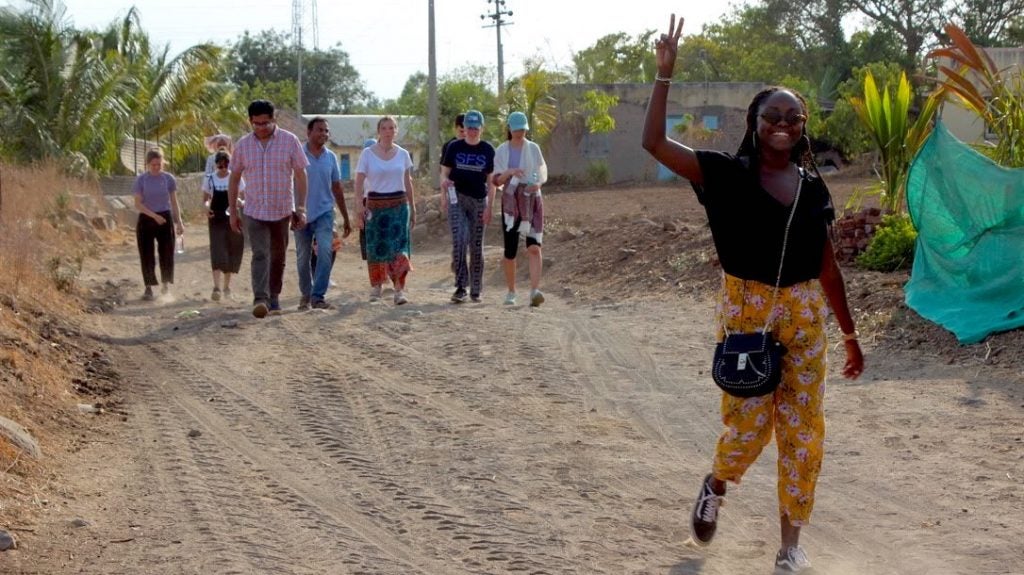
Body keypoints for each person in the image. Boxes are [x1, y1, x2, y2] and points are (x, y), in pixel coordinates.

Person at [641, 14, 865, 575]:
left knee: (803, 430)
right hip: (746, 309)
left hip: (805, 314)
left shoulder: (814, 187)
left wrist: (850, 334)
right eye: (773, 116)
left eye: (794, 117)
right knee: (747, 426)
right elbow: (652, 143)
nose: (783, 124)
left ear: (804, 125)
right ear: (755, 121)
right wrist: (664, 76)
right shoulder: (722, 174)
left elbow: (828, 268)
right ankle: (717, 482)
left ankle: (790, 544)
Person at [228, 100, 308, 318]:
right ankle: (260, 298)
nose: (262, 128)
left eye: (266, 123)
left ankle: (274, 297)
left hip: (282, 210)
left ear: (274, 120)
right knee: (260, 254)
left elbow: (301, 175)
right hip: (254, 211)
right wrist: (233, 212)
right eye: (257, 124)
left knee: (278, 256)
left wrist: (301, 207)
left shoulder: (289, 141)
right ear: (250, 122)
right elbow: (234, 178)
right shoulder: (243, 145)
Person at [354, 116, 416, 305]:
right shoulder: (368, 153)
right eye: (384, 128)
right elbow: (358, 181)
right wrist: (358, 205)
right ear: (378, 131)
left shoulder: (403, 154)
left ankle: (399, 290)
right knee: (376, 246)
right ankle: (377, 287)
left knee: (399, 248)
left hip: (399, 205)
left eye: (391, 128)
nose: (388, 131)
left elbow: (408, 181)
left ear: (396, 131)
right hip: (376, 205)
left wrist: (412, 206)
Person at [295, 117, 352, 311]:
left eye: (326, 131)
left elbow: (337, 187)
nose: (324, 134)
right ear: (309, 133)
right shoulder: (297, 154)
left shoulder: (331, 157)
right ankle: (306, 294)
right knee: (303, 257)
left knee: (326, 251)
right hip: (301, 213)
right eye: (320, 130)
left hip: (325, 213)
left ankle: (318, 296)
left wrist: (345, 216)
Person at [493, 111, 548, 307]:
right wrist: (510, 172)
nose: (520, 133)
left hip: (532, 199)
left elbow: (540, 171)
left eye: (523, 129)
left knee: (534, 246)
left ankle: (535, 290)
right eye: (516, 129)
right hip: (511, 201)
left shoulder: (533, 149)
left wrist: (538, 184)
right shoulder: (501, 150)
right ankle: (511, 290)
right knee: (510, 249)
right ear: (509, 129)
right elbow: (496, 179)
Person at [440, 109, 496, 303]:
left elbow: (491, 182)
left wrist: (490, 207)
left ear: (481, 128)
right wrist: (444, 187)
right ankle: (461, 286)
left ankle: (476, 289)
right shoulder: (454, 147)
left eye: (475, 128)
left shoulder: (488, 150)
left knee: (476, 245)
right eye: (469, 127)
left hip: (479, 200)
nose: (472, 131)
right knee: (459, 241)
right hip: (457, 198)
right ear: (464, 128)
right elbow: (444, 173)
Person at [132, 148, 184, 300]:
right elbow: (138, 204)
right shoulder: (141, 180)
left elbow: (174, 202)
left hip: (165, 217)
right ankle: (148, 287)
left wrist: (179, 221)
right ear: (147, 164)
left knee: (167, 252)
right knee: (146, 253)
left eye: (158, 164)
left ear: (163, 163)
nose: (156, 167)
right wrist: (154, 216)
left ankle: (165, 284)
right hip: (147, 217)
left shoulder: (168, 179)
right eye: (153, 164)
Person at [201, 150, 245, 301]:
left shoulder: (236, 178)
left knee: (232, 249)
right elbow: (206, 199)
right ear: (216, 166)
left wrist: (240, 202)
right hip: (216, 218)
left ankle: (227, 286)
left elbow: (244, 197)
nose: (223, 169)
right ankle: (216, 287)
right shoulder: (210, 179)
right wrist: (206, 207)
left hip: (232, 216)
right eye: (220, 166)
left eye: (226, 165)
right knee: (217, 249)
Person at [358, 137, 377, 262]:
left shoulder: (382, 165)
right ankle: (370, 256)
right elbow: (359, 189)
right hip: (366, 202)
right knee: (366, 231)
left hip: (381, 201)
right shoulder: (362, 168)